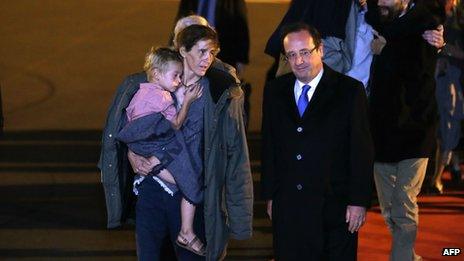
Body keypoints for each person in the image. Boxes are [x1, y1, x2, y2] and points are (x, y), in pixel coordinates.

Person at [99, 24, 253, 261]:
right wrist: (131, 153)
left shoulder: (221, 92)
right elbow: (128, 129)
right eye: (202, 52)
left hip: (192, 197)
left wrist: (240, 218)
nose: (207, 59)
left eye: (212, 53)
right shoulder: (152, 82)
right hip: (152, 190)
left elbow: (236, 153)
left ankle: (187, 231)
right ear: (182, 50)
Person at [261, 22, 374, 260]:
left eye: (305, 52)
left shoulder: (349, 91)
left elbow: (361, 150)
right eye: (292, 55)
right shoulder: (274, 91)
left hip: (334, 207)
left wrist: (358, 201)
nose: (299, 61)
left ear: (320, 50)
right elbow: (269, 146)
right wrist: (271, 196)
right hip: (289, 206)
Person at [365, 0, 442, 260]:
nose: (382, 2)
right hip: (381, 132)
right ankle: (409, 256)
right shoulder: (374, 18)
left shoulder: (426, 24)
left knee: (403, 203)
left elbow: (414, 28)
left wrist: (386, 42)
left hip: (416, 130)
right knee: (389, 209)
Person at [116, 46, 206, 255]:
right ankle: (187, 231)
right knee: (189, 184)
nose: (178, 81)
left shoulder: (139, 91)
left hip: (147, 151)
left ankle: (186, 228)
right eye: (176, 76)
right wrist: (187, 102)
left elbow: (128, 124)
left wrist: (134, 150)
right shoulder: (162, 97)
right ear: (156, 74)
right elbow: (174, 125)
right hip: (156, 151)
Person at [429, 0, 464, 193]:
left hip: (453, 82)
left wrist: (445, 48)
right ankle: (440, 174)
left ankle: (440, 175)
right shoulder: (433, 17)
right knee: (444, 128)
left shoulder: (458, 21)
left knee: (449, 127)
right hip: (439, 81)